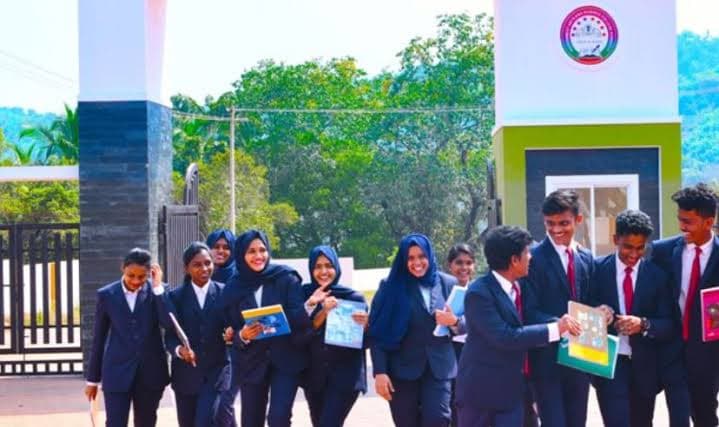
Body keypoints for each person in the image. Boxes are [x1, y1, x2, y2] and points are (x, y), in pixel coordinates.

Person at [455, 225, 582, 427]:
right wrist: (556, 329)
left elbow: (531, 317)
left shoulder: (522, 286)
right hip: (484, 395)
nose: (531, 257)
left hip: (517, 390)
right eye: (527, 252)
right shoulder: (479, 293)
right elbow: (505, 337)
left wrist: (564, 325)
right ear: (514, 260)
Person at [588, 210, 689, 427]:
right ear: (615, 239)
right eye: (628, 247)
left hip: (645, 369)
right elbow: (585, 308)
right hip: (609, 365)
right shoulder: (596, 270)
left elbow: (670, 324)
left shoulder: (657, 276)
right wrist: (599, 312)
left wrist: (643, 324)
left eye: (640, 247)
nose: (634, 254)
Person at [369, 233, 464, 427]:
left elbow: (468, 321)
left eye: (422, 256)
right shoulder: (390, 287)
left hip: (439, 367)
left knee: (438, 418)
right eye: (410, 258)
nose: (417, 263)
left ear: (430, 256)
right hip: (402, 369)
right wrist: (380, 372)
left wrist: (454, 321)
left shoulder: (448, 283)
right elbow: (377, 332)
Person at [648, 183, 719, 426]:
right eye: (680, 219)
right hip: (672, 349)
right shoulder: (662, 252)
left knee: (705, 416)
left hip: (709, 354)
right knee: (677, 417)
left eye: (688, 221)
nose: (681, 227)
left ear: (708, 222)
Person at [225, 229, 311, 427]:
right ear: (241, 254)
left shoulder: (286, 278)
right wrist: (242, 335)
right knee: (250, 421)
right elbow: (230, 329)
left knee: (278, 419)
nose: (258, 256)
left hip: (286, 359)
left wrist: (294, 314)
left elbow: (299, 318)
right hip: (252, 362)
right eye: (251, 251)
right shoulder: (234, 287)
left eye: (262, 250)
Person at [522, 190, 594, 427]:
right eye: (549, 223)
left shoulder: (586, 257)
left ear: (578, 220)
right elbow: (528, 310)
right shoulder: (532, 259)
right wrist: (558, 323)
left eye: (563, 223)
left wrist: (604, 310)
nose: (556, 230)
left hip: (581, 359)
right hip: (546, 361)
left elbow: (591, 300)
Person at [84, 248, 169, 427]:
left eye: (142, 276)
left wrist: (157, 289)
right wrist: (92, 380)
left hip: (150, 374)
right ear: (122, 268)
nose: (136, 281)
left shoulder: (158, 292)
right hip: (116, 373)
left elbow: (167, 323)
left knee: (146, 423)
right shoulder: (107, 295)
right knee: (115, 423)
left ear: (150, 273)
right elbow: (99, 338)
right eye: (131, 275)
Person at [162, 242, 232, 427]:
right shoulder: (175, 297)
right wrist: (179, 351)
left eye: (208, 263)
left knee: (205, 421)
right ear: (186, 268)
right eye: (197, 264)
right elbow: (170, 336)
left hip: (216, 373)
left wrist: (231, 333)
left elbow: (233, 325)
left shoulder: (225, 292)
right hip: (185, 376)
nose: (204, 268)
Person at [301, 245, 368, 427]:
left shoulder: (353, 298)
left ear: (336, 267)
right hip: (314, 378)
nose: (323, 271)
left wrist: (365, 326)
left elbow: (367, 341)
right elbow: (299, 334)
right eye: (318, 266)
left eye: (329, 266)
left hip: (345, 377)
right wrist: (321, 310)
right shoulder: (305, 295)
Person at [207, 229, 243, 427]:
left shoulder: (239, 277)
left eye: (226, 247)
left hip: (234, 350)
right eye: (216, 247)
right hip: (210, 349)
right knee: (219, 405)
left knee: (224, 403)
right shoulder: (202, 273)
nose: (220, 251)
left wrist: (233, 329)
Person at [445, 244, 476, 427]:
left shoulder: (480, 290)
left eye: (469, 263)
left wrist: (458, 322)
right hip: (449, 354)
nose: (464, 267)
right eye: (459, 263)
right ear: (450, 265)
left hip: (474, 353)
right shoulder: (441, 290)